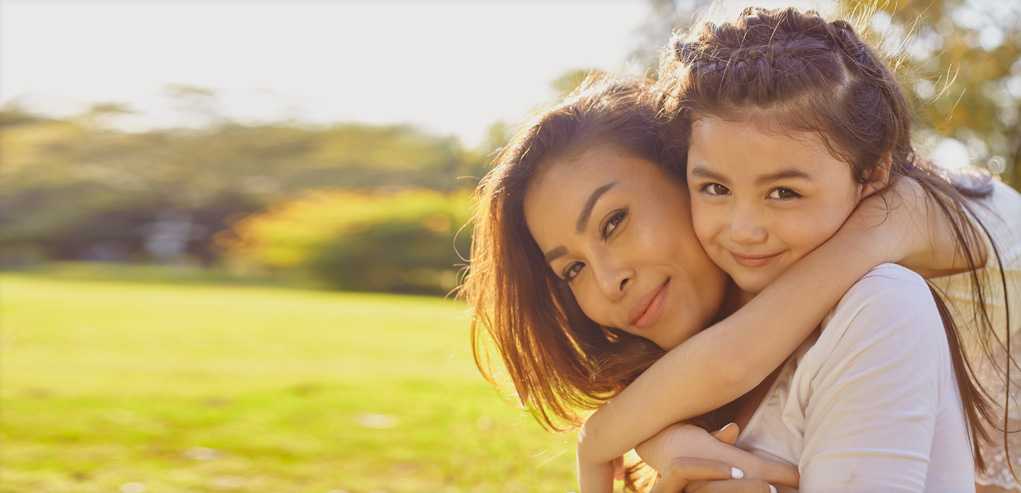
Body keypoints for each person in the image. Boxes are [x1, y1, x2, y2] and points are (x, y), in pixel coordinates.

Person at [569, 6, 1021, 492]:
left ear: (873, 175)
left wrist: (601, 436)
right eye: (715, 188)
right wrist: (660, 439)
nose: (744, 230)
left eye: (783, 193)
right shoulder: (796, 236)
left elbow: (735, 359)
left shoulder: (899, 216)